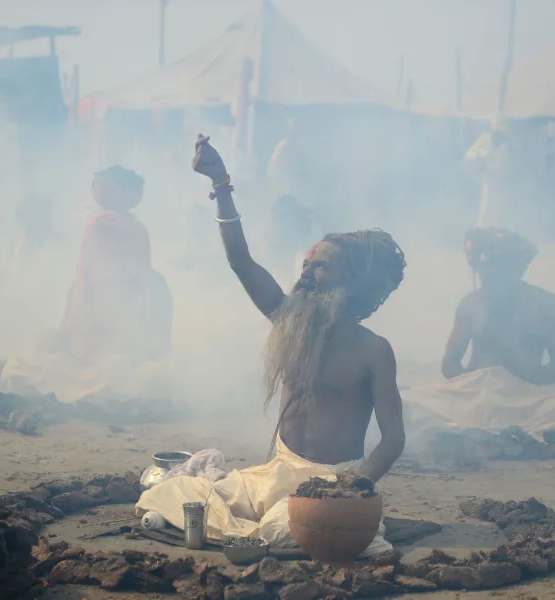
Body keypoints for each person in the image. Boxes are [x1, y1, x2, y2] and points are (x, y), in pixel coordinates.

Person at [136, 135, 407, 555]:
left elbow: (393, 440)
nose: (306, 274)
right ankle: (250, 527)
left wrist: (354, 486)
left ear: (351, 283)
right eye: (305, 264)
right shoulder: (287, 318)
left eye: (321, 267)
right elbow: (241, 261)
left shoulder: (373, 350)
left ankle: (264, 528)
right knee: (167, 494)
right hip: (271, 475)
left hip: (329, 480)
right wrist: (222, 184)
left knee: (292, 527)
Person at [58, 166, 172, 363]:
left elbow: (86, 272)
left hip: (103, 303)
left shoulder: (97, 225)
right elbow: (142, 272)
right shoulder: (131, 227)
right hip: (115, 306)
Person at [442, 227, 555, 386]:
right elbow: (449, 364)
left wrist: (521, 384)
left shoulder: (545, 304)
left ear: (517, 270)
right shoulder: (470, 304)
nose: (487, 278)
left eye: (497, 270)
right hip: (475, 392)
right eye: (484, 272)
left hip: (527, 394)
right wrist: (476, 383)